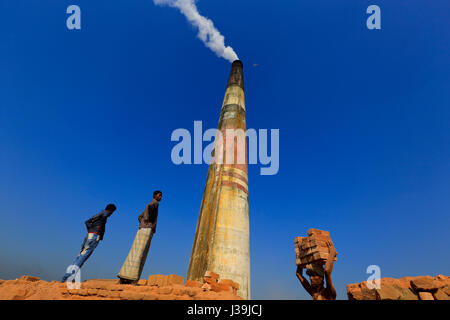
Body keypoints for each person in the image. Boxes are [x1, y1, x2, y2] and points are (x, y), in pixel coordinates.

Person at [61, 204, 117, 282]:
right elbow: (95, 221)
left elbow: (87, 222)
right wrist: (97, 232)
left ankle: (68, 277)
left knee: (80, 256)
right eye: (112, 212)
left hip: (89, 235)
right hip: (94, 236)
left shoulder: (99, 214)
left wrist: (90, 231)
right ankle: (68, 278)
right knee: (83, 257)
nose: (111, 214)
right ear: (111, 210)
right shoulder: (105, 214)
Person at [117, 190, 162, 284]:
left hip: (142, 229)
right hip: (147, 229)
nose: (161, 197)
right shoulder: (154, 203)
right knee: (141, 253)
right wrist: (149, 221)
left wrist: (143, 222)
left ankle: (124, 277)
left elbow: (139, 216)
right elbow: (150, 209)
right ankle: (133, 279)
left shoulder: (151, 204)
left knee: (135, 251)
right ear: (154, 196)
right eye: (159, 195)